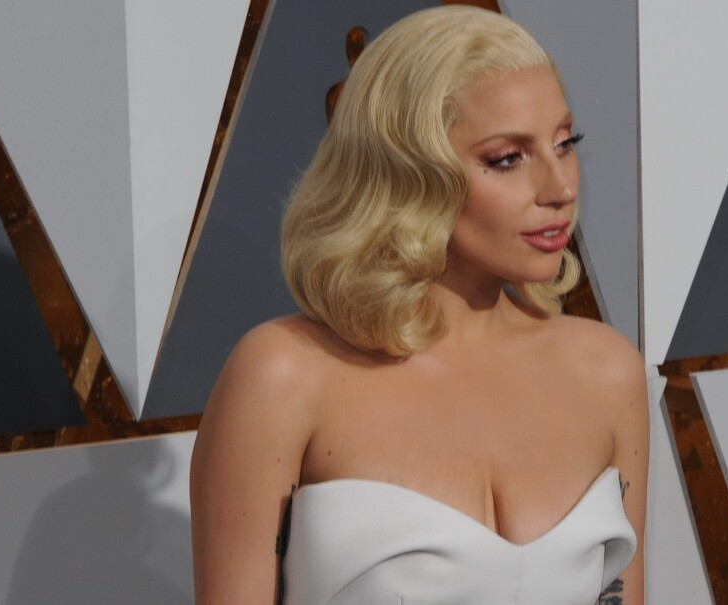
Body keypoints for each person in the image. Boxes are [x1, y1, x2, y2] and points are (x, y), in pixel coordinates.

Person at [190, 6, 648, 604]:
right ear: (407, 171)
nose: (560, 188)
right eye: (506, 159)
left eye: (565, 144)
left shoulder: (607, 372)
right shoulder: (283, 378)